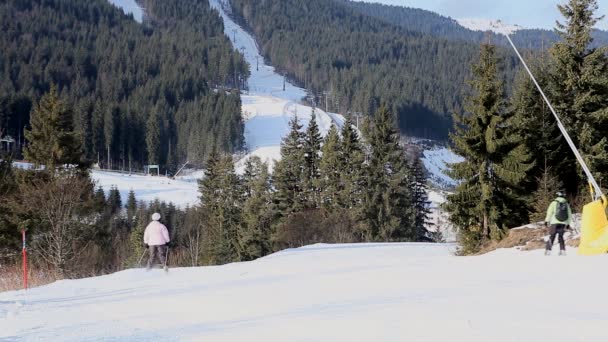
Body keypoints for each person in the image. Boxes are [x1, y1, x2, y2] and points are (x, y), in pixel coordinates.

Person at [544, 191, 572, 256]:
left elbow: (549, 212)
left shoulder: (554, 203)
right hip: (563, 223)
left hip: (554, 222)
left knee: (552, 236)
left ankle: (548, 250)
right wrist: (568, 223)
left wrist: (546, 221)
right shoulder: (566, 204)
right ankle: (562, 251)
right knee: (561, 237)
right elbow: (569, 214)